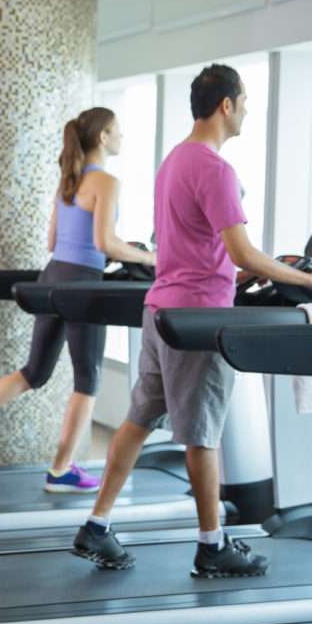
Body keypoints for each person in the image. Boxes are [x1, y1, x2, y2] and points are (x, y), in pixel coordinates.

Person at [72, 64, 312, 576]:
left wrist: (244, 273)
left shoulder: (174, 161)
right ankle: (211, 545)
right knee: (204, 435)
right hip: (199, 321)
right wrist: (306, 281)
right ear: (226, 104)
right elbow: (242, 251)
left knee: (138, 421)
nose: (246, 112)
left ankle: (96, 525)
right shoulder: (216, 169)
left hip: (162, 311)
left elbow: (201, 249)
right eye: (244, 103)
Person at [0, 108, 155, 491]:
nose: (122, 136)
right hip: (83, 286)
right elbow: (105, 243)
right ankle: (61, 469)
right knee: (88, 378)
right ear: (103, 137)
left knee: (34, 372)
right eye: (117, 130)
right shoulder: (106, 182)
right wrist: (151, 258)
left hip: (53, 277)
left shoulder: (68, 181)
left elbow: (53, 242)